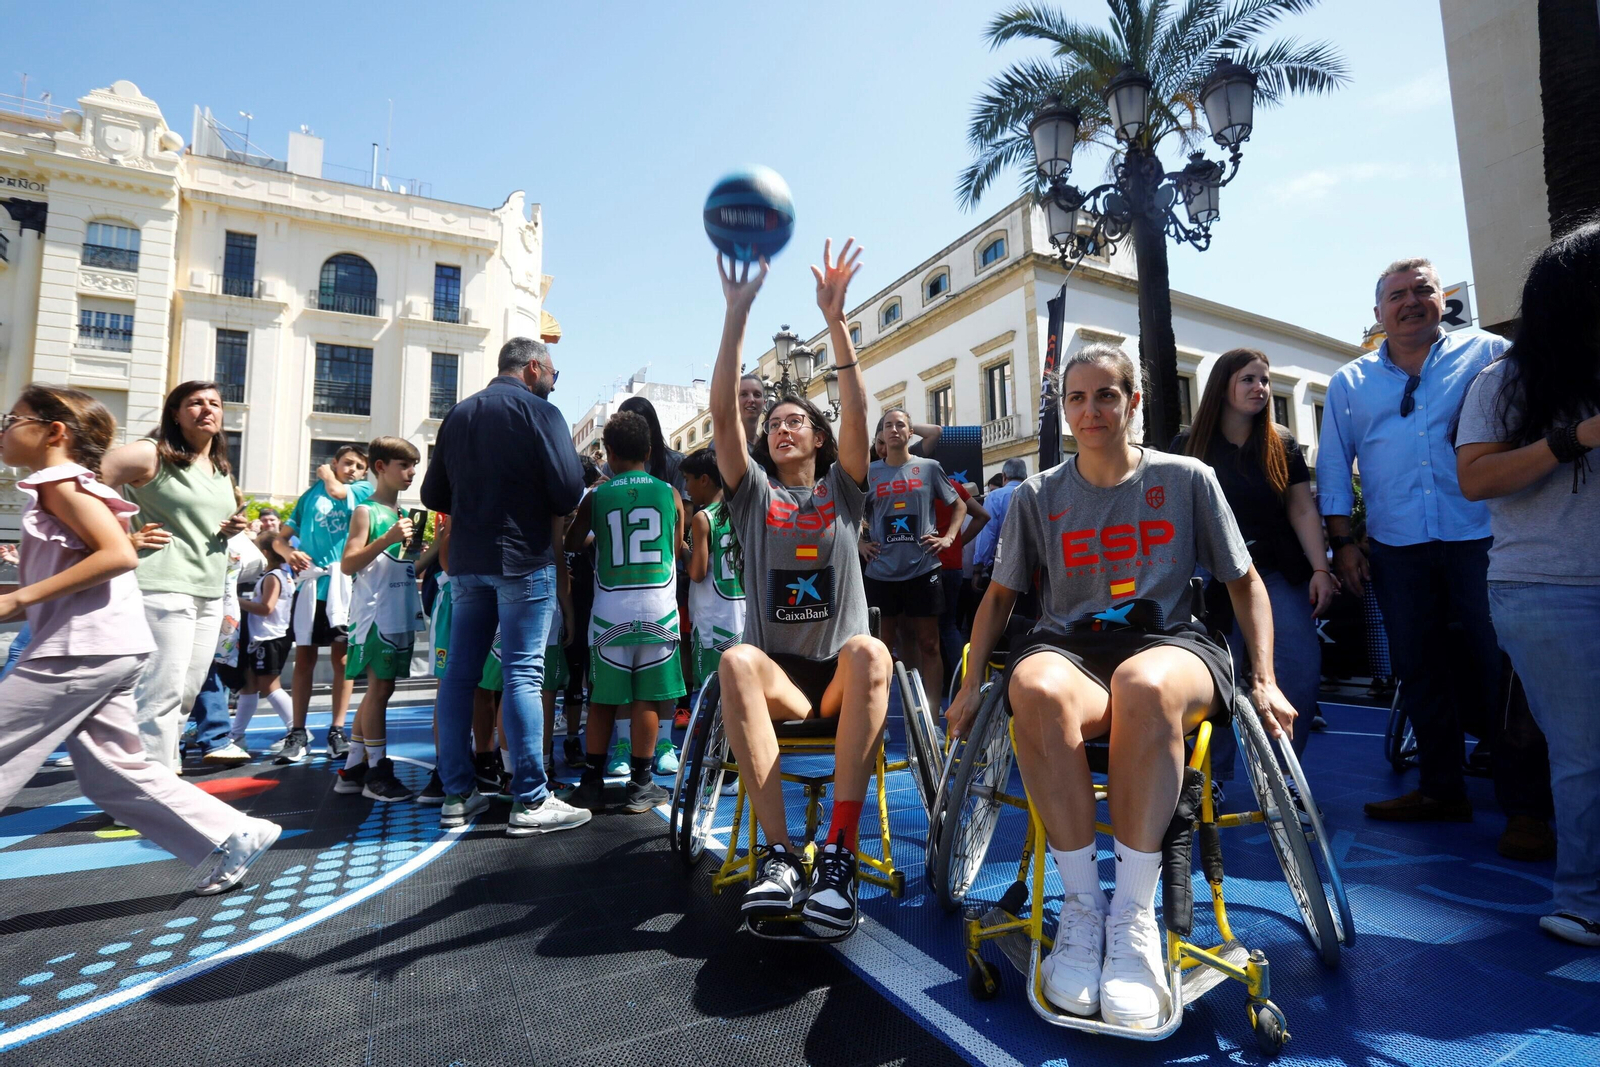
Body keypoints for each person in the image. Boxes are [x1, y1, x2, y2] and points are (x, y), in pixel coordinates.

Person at [948, 344, 1294, 1028]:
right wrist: (965, 686)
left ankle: (1133, 918)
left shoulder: (1187, 477)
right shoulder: (1039, 495)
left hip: (1171, 644)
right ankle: (1083, 909)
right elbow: (998, 598)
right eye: (1076, 397)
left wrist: (1265, 677)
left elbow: (1243, 581)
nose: (1090, 410)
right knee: (1035, 688)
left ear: (1133, 402)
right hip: (1071, 650)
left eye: (1106, 395)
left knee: (1143, 682)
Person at [0, 384, 280, 895]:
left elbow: (117, 554)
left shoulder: (61, 481)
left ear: (54, 432)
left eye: (13, 419)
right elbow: (104, 546)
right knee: (112, 773)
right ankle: (234, 832)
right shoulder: (82, 478)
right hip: (111, 637)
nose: (5, 429)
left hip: (82, 645)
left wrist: (18, 601)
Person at [710, 239, 892, 935]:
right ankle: (780, 854)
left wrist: (836, 320)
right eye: (774, 423)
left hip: (839, 675)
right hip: (779, 679)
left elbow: (858, 414)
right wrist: (736, 314)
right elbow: (726, 417)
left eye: (796, 421)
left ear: (818, 438)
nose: (781, 427)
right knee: (733, 659)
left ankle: (838, 852)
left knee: (873, 651)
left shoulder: (844, 490)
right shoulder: (751, 496)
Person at [1317, 257, 1520, 831]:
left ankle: (1526, 803)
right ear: (1377, 312)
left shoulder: (1488, 355)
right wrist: (1344, 544)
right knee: (1418, 667)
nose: (1410, 302)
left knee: (1502, 667)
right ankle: (1440, 789)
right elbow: (1335, 467)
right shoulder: (1349, 383)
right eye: (1396, 295)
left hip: (1484, 539)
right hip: (1397, 548)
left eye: (1422, 290)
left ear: (1442, 299)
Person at [1455, 221, 1600, 947]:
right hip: (1548, 586)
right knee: (1586, 749)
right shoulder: (1503, 381)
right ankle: (1583, 898)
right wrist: (1572, 439)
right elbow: (1475, 478)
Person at [420, 336, 589, 836]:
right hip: (523, 557)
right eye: (554, 376)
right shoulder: (541, 414)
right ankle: (531, 800)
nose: (554, 384)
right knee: (522, 675)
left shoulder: (461, 413)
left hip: (468, 563)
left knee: (459, 678)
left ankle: (457, 794)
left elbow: (432, 493)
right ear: (534, 368)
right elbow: (567, 489)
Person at [1174, 348, 1336, 760]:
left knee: (1299, 668)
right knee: (1213, 677)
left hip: (1275, 571)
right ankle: (1211, 778)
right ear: (1222, 385)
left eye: (1264, 380)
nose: (1260, 388)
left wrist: (1321, 567)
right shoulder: (1187, 444)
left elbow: (1301, 508)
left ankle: (1287, 776)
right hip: (1210, 578)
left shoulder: (1281, 443)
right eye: (1249, 379)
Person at [101, 381, 249, 770]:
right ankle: (148, 788)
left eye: (214, 403)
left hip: (209, 591)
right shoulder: (152, 454)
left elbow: (198, 518)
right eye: (195, 403)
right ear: (175, 414)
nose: (207, 410)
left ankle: (161, 773)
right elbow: (90, 480)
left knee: (185, 694)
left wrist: (232, 527)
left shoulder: (219, 468)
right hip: (162, 586)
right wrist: (122, 538)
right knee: (159, 693)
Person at [565, 411, 687, 814]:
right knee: (648, 699)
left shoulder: (597, 495)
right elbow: (676, 542)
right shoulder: (670, 493)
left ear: (609, 453)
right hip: (659, 610)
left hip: (608, 613)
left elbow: (573, 540)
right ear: (650, 452)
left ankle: (592, 783)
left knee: (602, 700)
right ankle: (641, 783)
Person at [335, 437, 425, 803]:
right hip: (374, 616)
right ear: (380, 467)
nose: (412, 472)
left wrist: (437, 544)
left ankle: (354, 768)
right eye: (404, 465)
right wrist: (385, 538)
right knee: (380, 690)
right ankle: (376, 772)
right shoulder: (366, 512)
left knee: (378, 691)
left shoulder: (404, 515)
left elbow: (406, 567)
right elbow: (348, 563)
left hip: (397, 611)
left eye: (414, 465)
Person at [270, 448, 371, 764]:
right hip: (313, 586)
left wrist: (328, 474)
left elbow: (338, 490)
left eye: (359, 466)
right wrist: (288, 553)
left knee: (343, 660)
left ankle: (337, 730)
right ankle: (297, 731)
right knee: (304, 658)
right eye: (347, 463)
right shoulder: (309, 496)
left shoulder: (362, 491)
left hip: (346, 587)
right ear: (335, 462)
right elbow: (279, 538)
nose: (353, 469)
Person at [861, 407, 964, 690]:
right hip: (882, 571)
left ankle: (930, 718)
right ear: (880, 434)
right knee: (881, 649)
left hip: (923, 569)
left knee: (929, 644)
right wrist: (860, 543)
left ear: (910, 432)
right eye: (888, 426)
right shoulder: (869, 473)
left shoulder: (929, 467)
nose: (894, 430)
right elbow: (848, 513)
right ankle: (878, 724)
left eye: (900, 425)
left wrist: (949, 538)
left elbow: (960, 506)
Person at [193, 500, 269, 764]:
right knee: (199, 670)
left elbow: (257, 563)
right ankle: (207, 737)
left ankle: (213, 737)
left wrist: (235, 531)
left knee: (207, 669)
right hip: (194, 604)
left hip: (216, 609)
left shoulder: (231, 536)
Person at [683, 447, 746, 692]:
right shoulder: (741, 512)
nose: (686, 488)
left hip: (712, 616)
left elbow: (697, 573)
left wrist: (683, 549)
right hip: (741, 612)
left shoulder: (703, 518)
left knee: (713, 688)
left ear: (704, 479)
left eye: (688, 480)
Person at [231, 532, 297, 752]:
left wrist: (237, 601)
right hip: (263, 637)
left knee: (269, 686)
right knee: (248, 686)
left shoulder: (273, 576)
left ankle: (295, 731)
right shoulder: (279, 574)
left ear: (266, 552)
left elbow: (266, 608)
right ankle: (237, 735)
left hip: (270, 637)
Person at [560, 457, 603, 770]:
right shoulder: (554, 510)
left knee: (586, 677)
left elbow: (592, 540)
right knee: (564, 679)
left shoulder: (592, 510)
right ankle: (567, 738)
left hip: (590, 608)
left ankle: (578, 739)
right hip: (562, 609)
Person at [970, 458, 1028, 576]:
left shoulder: (994, 497)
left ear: (1004, 476)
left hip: (1002, 565)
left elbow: (987, 534)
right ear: (1026, 475)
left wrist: (979, 567)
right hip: (1031, 566)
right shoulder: (1035, 494)